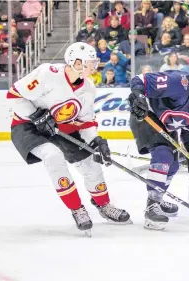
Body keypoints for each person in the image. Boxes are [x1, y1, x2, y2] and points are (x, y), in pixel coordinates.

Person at [7, 42, 131, 235]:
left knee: (90, 162)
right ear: (77, 63)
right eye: (91, 62)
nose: (94, 65)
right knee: (53, 156)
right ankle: (77, 208)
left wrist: (96, 141)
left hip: (59, 128)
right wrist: (35, 115)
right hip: (27, 126)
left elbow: (86, 121)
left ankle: (104, 205)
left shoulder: (88, 88)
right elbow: (14, 95)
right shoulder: (47, 73)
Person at [127, 60, 189, 230]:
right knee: (163, 154)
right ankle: (151, 207)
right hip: (147, 117)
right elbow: (139, 80)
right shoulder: (178, 82)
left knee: (173, 165)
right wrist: (138, 97)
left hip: (167, 127)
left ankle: (157, 199)